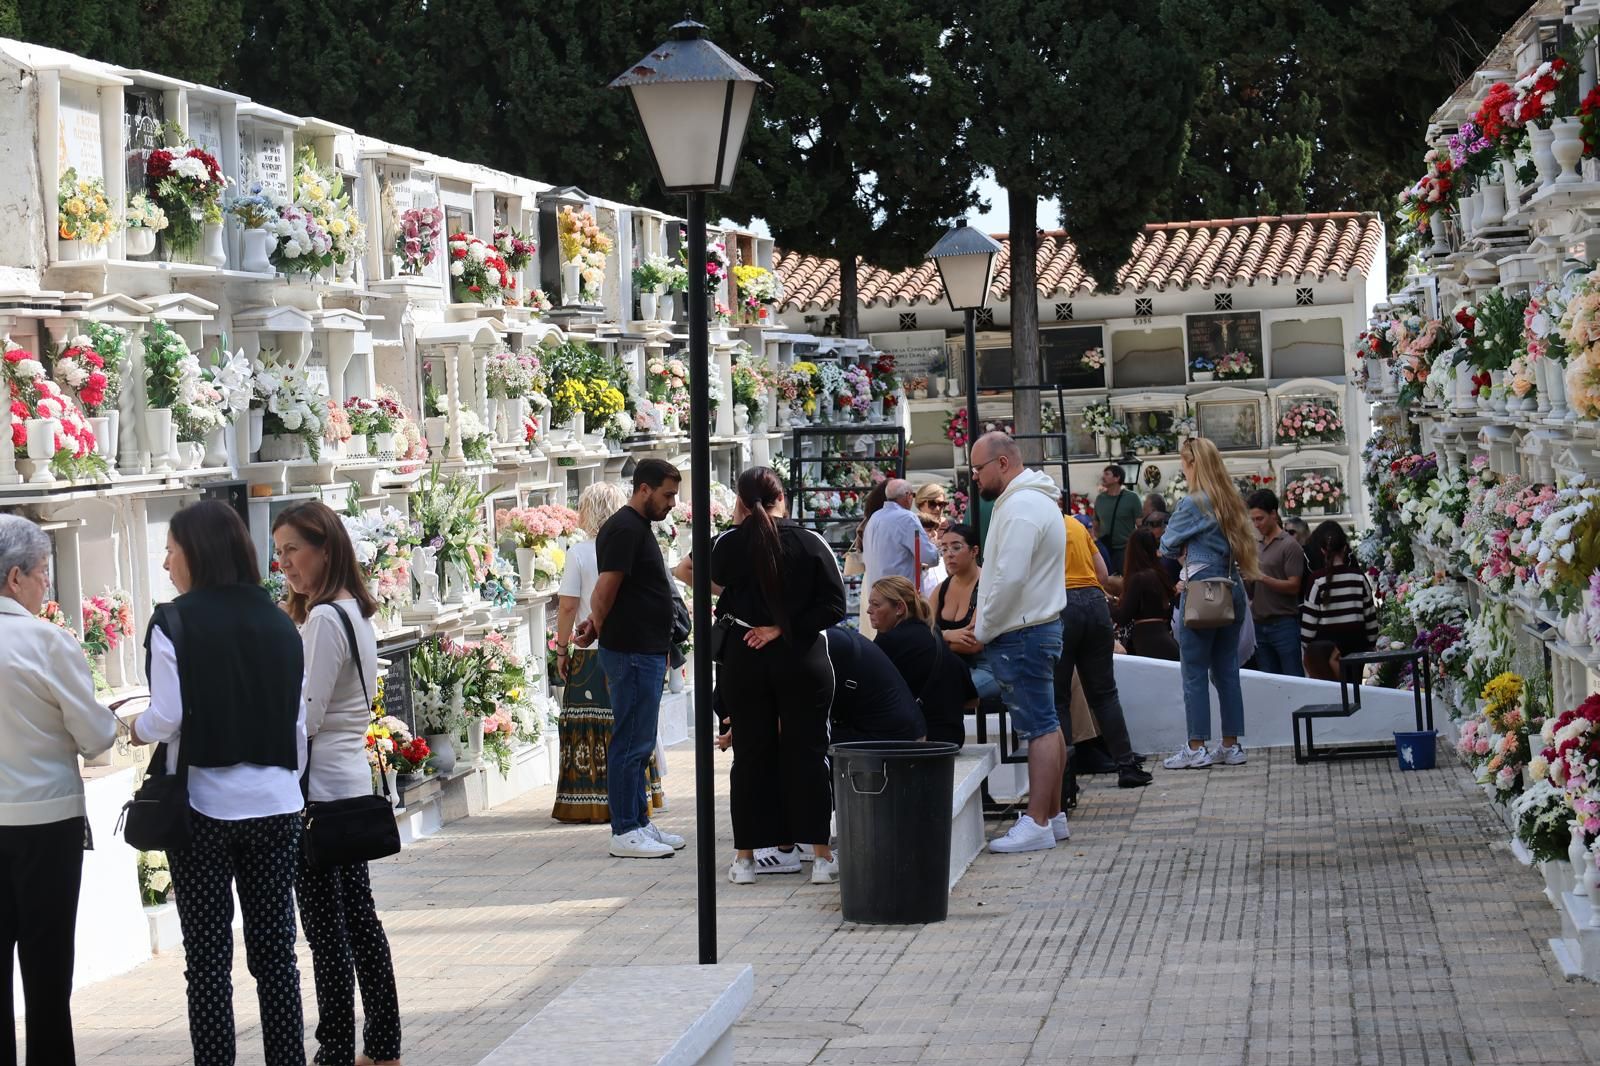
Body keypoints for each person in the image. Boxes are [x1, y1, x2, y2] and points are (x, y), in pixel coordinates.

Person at [129, 501, 308, 1066]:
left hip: (204, 808)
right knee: (276, 956)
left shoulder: (174, 621)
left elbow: (167, 716)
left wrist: (131, 726)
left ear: (196, 553)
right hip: (277, 803)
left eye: (171, 550)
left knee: (207, 962)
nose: (165, 564)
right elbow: (297, 723)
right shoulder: (282, 620)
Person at [271, 502, 402, 1066]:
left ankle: (336, 1049)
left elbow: (307, 714)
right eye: (278, 554)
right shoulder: (348, 610)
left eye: (292, 551)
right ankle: (382, 1043)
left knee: (328, 933)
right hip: (344, 782)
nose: (285, 565)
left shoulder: (326, 618)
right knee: (357, 922)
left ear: (325, 547)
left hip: (321, 792)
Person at [0, 514, 119, 1066]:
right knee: (48, 976)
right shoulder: (46, 641)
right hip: (46, 822)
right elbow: (95, 739)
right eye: (43, 572)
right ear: (14, 577)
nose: (48, 583)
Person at [713, 467, 847, 886]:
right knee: (809, 753)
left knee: (750, 757)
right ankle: (821, 857)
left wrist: (739, 523)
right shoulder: (810, 542)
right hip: (801, 656)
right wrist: (782, 627)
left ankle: (746, 858)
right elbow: (835, 606)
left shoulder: (727, 546)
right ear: (782, 497)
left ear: (740, 501)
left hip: (745, 658)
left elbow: (719, 582)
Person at [574, 459, 686, 860]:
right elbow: (605, 589)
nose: (672, 503)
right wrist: (598, 625)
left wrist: (593, 624)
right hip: (632, 652)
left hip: (643, 649)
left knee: (639, 743)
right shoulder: (624, 528)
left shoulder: (634, 527)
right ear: (644, 489)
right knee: (630, 742)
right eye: (668, 494)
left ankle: (638, 822)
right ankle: (624, 830)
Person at [969, 432, 1071, 853]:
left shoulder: (1022, 506)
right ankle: (1053, 814)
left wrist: (984, 627)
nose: (974, 477)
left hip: (1022, 630)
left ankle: (1038, 821)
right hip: (1033, 626)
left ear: (1004, 464)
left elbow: (1008, 577)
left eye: (978, 469)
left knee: (1040, 726)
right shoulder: (1029, 501)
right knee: (1047, 723)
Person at [553, 482, 665, 823]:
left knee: (594, 728)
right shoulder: (629, 541)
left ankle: (590, 801)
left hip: (591, 652)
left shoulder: (579, 552)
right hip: (630, 646)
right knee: (627, 727)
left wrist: (561, 648)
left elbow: (569, 606)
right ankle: (635, 803)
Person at [1159, 438, 1261, 770]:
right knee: (1227, 670)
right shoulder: (1230, 501)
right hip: (1232, 587)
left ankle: (1196, 746)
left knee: (1194, 672)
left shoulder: (1194, 503)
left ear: (1192, 464)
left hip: (1202, 589)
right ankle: (1231, 745)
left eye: (1183, 463)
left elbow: (1166, 543)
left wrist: (1184, 546)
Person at [1058, 504, 1153, 789]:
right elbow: (1101, 575)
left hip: (1060, 605)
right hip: (1094, 604)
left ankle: (1065, 780)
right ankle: (1127, 766)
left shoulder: (1032, 526)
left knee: (1059, 698)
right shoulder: (1075, 525)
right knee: (1105, 694)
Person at [866, 576, 973, 746]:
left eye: (876, 604)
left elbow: (866, 694)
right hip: (952, 737)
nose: (868, 610)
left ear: (899, 608)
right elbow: (972, 699)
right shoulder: (932, 633)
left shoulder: (890, 641)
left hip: (922, 742)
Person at [930, 523, 1000, 702]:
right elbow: (922, 633)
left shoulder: (987, 585)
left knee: (944, 695)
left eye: (956, 547)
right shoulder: (941, 589)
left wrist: (937, 639)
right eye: (944, 549)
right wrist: (948, 634)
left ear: (974, 551)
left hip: (986, 666)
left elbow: (974, 644)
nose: (949, 554)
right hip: (948, 665)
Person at [823, 623, 927, 743]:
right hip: (909, 730)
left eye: (876, 604)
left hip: (895, 737)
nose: (869, 611)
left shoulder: (826, 644)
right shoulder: (835, 637)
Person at [861, 478, 935, 637]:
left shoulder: (874, 518)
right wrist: (935, 546)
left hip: (877, 594)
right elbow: (930, 556)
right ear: (908, 496)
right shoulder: (907, 518)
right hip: (900, 598)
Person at [1300, 521, 1379, 671]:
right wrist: (1370, 643)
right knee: (1354, 689)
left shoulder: (1316, 581)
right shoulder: (1358, 578)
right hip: (1356, 646)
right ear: (1345, 548)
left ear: (1322, 550)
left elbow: (1309, 625)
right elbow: (1370, 616)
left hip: (1325, 652)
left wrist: (1307, 647)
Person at [1246, 489, 1307, 677]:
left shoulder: (1289, 545)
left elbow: (1294, 586)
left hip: (1283, 624)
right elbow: (1253, 590)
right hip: (1259, 623)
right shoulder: (1258, 545)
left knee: (1292, 678)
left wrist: (1262, 577)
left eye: (1260, 519)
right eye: (1253, 520)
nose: (1256, 524)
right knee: (1268, 681)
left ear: (1273, 514)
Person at [1113, 529, 1180, 661]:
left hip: (1148, 643)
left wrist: (1105, 603)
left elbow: (1123, 617)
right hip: (1165, 639)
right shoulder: (1160, 574)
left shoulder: (1139, 578)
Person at [1093, 465, 1139, 575]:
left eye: (1107, 474)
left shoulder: (1132, 498)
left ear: (1117, 478)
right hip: (1105, 549)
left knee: (1127, 580)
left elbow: (1140, 524)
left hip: (1125, 550)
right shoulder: (1100, 499)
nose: (1103, 477)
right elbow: (1096, 524)